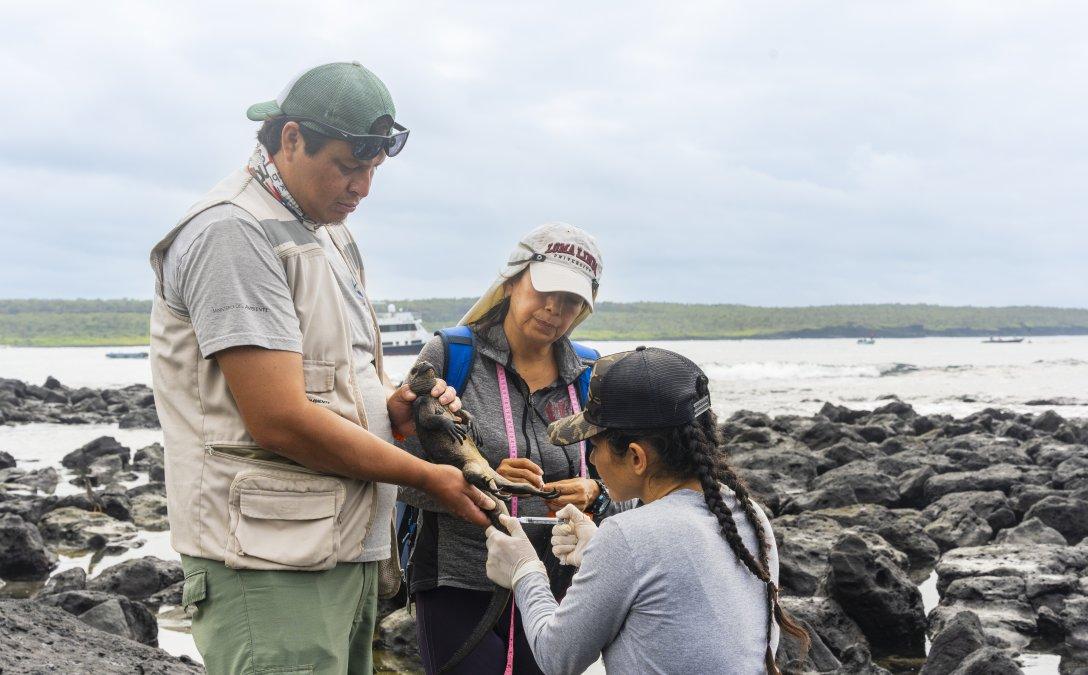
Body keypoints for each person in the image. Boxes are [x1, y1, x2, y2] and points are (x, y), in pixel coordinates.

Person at [148, 62, 492, 675]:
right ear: (289, 138)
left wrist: (393, 407)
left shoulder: (330, 234)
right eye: (347, 165)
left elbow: (339, 377)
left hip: (340, 546)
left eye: (372, 170)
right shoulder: (233, 232)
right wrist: (426, 477)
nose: (362, 187)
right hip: (265, 563)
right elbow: (279, 419)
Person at [483, 347, 812, 675]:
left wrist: (525, 571)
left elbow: (557, 658)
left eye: (595, 446)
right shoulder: (749, 515)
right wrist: (597, 554)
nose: (592, 461)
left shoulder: (628, 536)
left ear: (637, 457)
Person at [396, 222, 614, 674]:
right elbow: (398, 473)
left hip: (558, 586)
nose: (555, 309)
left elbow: (632, 478)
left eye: (572, 300)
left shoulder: (592, 374)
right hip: (456, 580)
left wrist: (596, 494)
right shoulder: (450, 356)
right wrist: (479, 472)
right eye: (545, 291)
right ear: (512, 280)